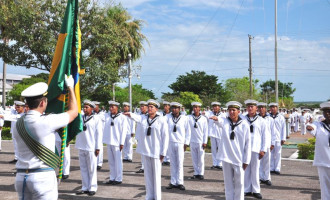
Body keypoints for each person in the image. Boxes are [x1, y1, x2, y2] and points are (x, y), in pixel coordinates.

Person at [14, 76, 78, 200]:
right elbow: (74, 112)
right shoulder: (47, 121)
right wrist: (70, 87)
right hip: (42, 177)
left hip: (21, 177)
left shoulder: (18, 123)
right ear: (43, 103)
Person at [124, 99, 169, 200]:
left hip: (156, 151)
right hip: (146, 151)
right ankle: (149, 196)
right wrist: (129, 114)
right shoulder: (144, 118)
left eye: (151, 107)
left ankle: (157, 197)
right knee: (148, 176)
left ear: (156, 109)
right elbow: (137, 117)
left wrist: (163, 152)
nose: (149, 108)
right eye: (148, 107)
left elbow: (165, 137)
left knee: (156, 176)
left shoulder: (161, 120)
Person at [209, 101, 251, 200]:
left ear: (239, 112)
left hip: (239, 158)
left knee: (239, 183)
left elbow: (248, 144)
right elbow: (219, 120)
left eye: (234, 110)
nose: (231, 112)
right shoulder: (225, 122)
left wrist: (246, 160)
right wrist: (215, 118)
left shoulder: (244, 125)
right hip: (226, 158)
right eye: (230, 110)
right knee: (228, 183)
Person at [75, 100, 102, 196]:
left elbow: (99, 134)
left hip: (91, 146)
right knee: (83, 168)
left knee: (91, 168)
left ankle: (93, 187)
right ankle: (85, 187)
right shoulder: (80, 117)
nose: (84, 109)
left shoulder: (96, 119)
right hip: (81, 145)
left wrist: (98, 147)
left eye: (87, 107)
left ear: (92, 108)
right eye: (84, 107)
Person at [243, 100, 268, 199]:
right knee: (245, 170)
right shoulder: (242, 119)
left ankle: (256, 190)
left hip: (256, 148)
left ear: (256, 108)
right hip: (245, 148)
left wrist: (263, 149)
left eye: (252, 106)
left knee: (255, 169)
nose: (250, 108)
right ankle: (247, 189)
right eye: (248, 106)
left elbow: (265, 136)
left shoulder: (261, 120)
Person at [306, 101, 330, 200]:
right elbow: (313, 128)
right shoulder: (319, 125)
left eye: (329, 111)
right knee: (324, 187)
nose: (327, 113)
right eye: (325, 112)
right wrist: (310, 128)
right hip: (323, 160)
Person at [166, 102, 190, 190]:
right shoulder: (167, 117)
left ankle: (180, 182)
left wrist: (186, 143)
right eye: (173, 108)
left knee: (180, 163)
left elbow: (188, 131)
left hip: (180, 143)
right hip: (171, 142)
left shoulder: (184, 118)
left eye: (176, 108)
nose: (174, 109)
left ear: (179, 109)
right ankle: (173, 182)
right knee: (172, 163)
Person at [103, 101, 128, 185]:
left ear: (117, 108)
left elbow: (124, 131)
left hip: (117, 143)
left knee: (118, 162)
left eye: (113, 107)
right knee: (111, 161)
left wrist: (122, 142)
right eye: (110, 107)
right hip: (109, 141)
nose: (111, 108)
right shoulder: (106, 116)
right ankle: (112, 177)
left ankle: (118, 178)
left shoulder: (122, 117)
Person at [188, 102, 208, 180]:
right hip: (192, 140)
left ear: (199, 108)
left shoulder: (203, 118)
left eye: (197, 107)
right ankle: (196, 173)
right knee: (194, 158)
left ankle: (201, 173)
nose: (195, 109)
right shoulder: (189, 117)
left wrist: (205, 141)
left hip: (200, 141)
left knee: (201, 158)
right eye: (194, 107)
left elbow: (205, 131)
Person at [257, 102, 274, 186]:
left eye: (262, 107)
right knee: (258, 161)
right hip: (258, 143)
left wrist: (273, 143)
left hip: (267, 142)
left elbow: (273, 131)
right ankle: (260, 177)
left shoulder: (270, 119)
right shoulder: (255, 118)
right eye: (259, 108)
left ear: (265, 109)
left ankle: (267, 178)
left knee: (267, 161)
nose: (261, 109)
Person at [269, 103, 286, 175]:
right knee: (271, 154)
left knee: (278, 153)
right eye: (271, 107)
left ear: (277, 108)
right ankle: (271, 167)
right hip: (270, 139)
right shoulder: (268, 117)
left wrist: (283, 138)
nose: (273, 108)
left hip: (278, 138)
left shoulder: (281, 117)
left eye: (274, 107)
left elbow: (283, 128)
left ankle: (277, 168)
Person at [208, 102, 225, 169]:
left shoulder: (223, 115)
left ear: (219, 107)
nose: (215, 108)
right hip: (212, 133)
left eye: (216, 106)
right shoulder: (209, 114)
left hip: (220, 134)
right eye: (214, 106)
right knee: (214, 149)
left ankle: (220, 163)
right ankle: (215, 163)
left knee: (220, 149)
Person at [135, 101, 148, 173]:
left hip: (146, 136)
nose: (141, 108)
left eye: (143, 106)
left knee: (146, 152)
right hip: (140, 135)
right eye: (141, 106)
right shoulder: (139, 115)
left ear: (147, 107)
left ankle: (146, 167)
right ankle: (143, 166)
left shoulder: (148, 115)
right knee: (142, 152)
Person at [93, 101, 106, 170]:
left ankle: (99, 163)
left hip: (100, 132)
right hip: (93, 133)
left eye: (95, 106)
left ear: (98, 106)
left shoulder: (102, 114)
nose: (94, 107)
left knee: (99, 147)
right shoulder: (92, 114)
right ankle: (94, 162)